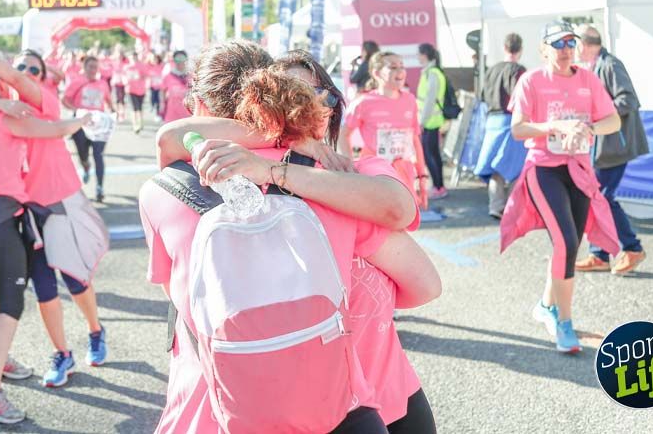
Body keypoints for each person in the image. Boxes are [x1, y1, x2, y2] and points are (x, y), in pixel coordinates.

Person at [144, 41, 440, 434]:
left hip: (215, 409)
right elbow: (424, 283)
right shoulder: (340, 192)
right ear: (275, 100)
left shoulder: (162, 192)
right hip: (338, 402)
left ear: (199, 105)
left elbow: (179, 296)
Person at [0, 44, 111, 386]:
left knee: (77, 282)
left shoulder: (42, 101)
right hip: (25, 211)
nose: (25, 73)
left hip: (58, 203)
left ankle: (95, 331)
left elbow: (17, 85)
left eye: (33, 70)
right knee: (45, 289)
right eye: (20, 67)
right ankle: (62, 354)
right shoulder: (0, 112)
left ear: (44, 77)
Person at [502, 21, 621, 354]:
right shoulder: (532, 81)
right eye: (558, 43)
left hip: (579, 169)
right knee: (566, 242)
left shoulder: (588, 79)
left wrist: (589, 127)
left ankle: (544, 304)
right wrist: (553, 125)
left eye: (571, 42)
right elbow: (518, 129)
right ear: (544, 49)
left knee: (568, 246)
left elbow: (614, 120)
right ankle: (564, 323)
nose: (567, 48)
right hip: (544, 169)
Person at [573, 25, 650, 275]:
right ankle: (600, 254)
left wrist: (598, 114)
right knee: (597, 197)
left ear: (584, 45)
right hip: (603, 146)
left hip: (615, 145)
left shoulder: (610, 64)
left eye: (575, 46)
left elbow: (628, 99)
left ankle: (632, 248)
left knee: (603, 197)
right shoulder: (595, 66)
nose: (574, 52)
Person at [339, 51, 428, 211]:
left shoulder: (410, 100)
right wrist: (350, 167)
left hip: (405, 172)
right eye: (393, 67)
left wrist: (422, 175)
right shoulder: (363, 102)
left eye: (401, 66)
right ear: (376, 73)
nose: (400, 71)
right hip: (377, 175)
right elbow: (343, 135)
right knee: (383, 223)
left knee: (405, 221)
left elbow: (415, 140)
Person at [474, 33, 528, 219]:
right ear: (520, 50)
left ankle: (495, 205)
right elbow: (521, 98)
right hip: (511, 121)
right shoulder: (519, 70)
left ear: (504, 48)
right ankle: (513, 207)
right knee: (515, 166)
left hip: (492, 122)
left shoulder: (492, 70)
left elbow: (481, 97)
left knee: (495, 167)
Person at [63, 56, 115, 203]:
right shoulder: (77, 82)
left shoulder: (103, 84)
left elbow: (109, 102)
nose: (93, 70)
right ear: (84, 67)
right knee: (83, 155)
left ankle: (99, 187)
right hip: (81, 126)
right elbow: (65, 100)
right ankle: (86, 167)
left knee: (98, 155)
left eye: (95, 67)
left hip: (98, 127)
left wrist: (113, 113)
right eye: (90, 67)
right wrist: (77, 111)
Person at [417, 43, 448, 200]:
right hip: (432, 120)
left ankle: (438, 186)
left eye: (419, 54)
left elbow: (429, 100)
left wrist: (421, 121)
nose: (417, 57)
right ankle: (439, 185)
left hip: (430, 121)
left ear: (425, 55)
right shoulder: (431, 72)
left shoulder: (432, 74)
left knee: (430, 155)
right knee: (433, 155)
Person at [161, 50, 192, 123]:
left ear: (186, 60)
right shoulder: (168, 76)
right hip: (172, 115)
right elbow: (162, 91)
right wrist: (162, 106)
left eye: (182, 59)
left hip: (188, 115)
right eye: (178, 60)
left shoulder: (192, 77)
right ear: (174, 61)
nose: (180, 62)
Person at [124, 49, 149, 134]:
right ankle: (135, 125)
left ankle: (141, 122)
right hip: (130, 90)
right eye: (131, 57)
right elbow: (123, 77)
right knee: (134, 108)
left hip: (141, 90)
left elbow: (146, 76)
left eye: (134, 56)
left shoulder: (141, 66)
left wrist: (140, 77)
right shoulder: (126, 67)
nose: (133, 58)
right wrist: (125, 81)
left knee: (140, 108)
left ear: (136, 57)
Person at [147, 52, 165, 118]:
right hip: (152, 86)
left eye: (155, 59)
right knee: (152, 98)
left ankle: (157, 113)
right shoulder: (149, 66)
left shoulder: (161, 66)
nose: (154, 60)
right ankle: (152, 106)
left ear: (158, 59)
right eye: (153, 59)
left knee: (158, 100)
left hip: (159, 86)